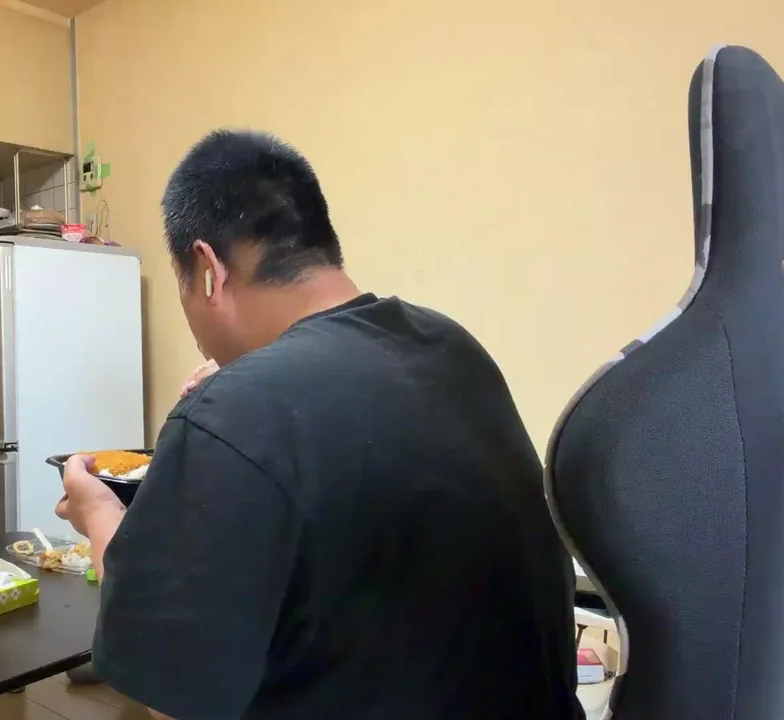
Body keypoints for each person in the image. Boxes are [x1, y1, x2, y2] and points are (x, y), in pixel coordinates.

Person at [56, 130, 582, 720]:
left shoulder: (231, 412)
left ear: (207, 270)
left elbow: (171, 698)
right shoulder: (451, 347)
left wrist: (98, 513)